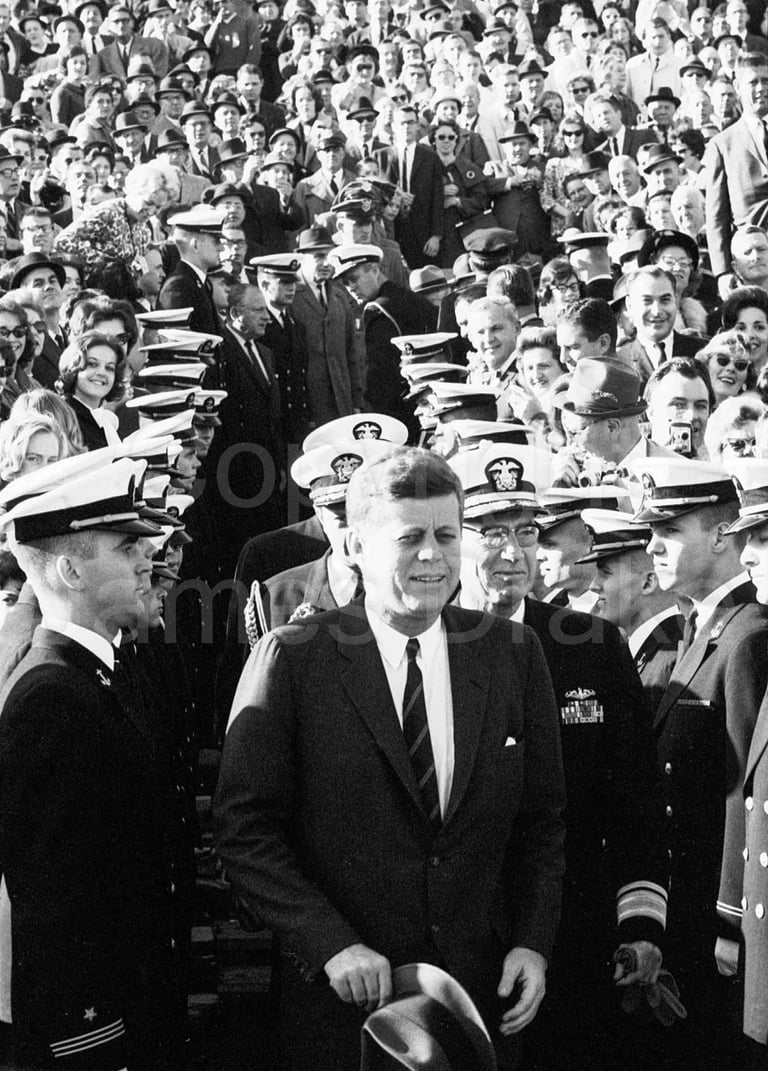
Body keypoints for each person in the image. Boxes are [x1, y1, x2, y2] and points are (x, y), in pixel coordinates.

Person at [214, 446, 567, 1071]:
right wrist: (330, 946)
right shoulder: (293, 658)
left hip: (481, 1005)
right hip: (346, 1012)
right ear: (354, 546)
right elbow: (244, 832)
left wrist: (533, 944)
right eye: (409, 537)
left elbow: (542, 823)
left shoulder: (512, 652)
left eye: (447, 535)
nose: (432, 555)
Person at [452, 443, 667, 1071]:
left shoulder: (592, 646)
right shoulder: (423, 645)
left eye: (525, 532)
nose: (511, 553)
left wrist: (641, 924)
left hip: (573, 933)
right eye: (490, 533)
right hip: (460, 939)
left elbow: (635, 800)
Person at [0, 455, 183, 1071]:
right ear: (71, 569)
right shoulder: (50, 697)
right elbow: (50, 903)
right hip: (94, 1034)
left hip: (139, 1001)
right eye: (125, 546)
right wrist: (92, 1035)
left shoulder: (102, 674)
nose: (146, 560)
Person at [629, 456, 768, 1071]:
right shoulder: (698, 628)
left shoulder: (747, 638)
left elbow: (747, 791)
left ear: (720, 535)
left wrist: (729, 922)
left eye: (669, 532)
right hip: (680, 907)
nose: (653, 548)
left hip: (711, 916)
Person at [582, 507, 684, 714]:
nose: (594, 585)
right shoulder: (647, 649)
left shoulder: (671, 656)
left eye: (606, 573)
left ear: (647, 583)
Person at [705, 53, 768, 294]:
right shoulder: (723, 144)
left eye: (766, 80)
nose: (761, 88)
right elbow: (716, 216)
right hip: (751, 261)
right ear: (738, 87)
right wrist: (722, 272)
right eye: (753, 82)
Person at [156, 205, 225, 336]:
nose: (221, 248)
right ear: (195, 244)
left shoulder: (196, 281)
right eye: (215, 241)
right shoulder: (179, 287)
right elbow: (179, 345)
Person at [56, 331, 125, 451]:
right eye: (92, 364)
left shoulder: (102, 418)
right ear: (73, 368)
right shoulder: (63, 415)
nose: (101, 372)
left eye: (109, 368)